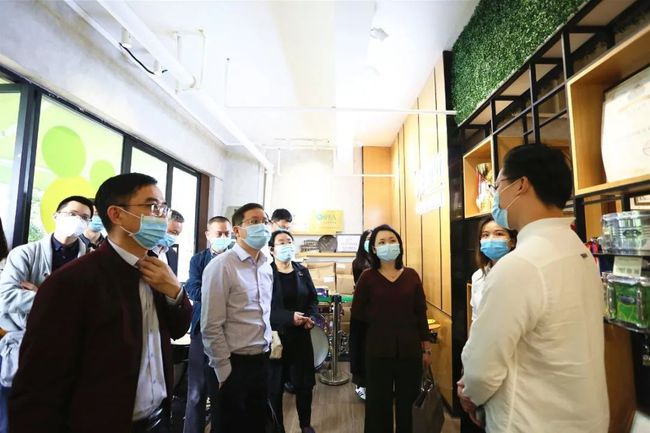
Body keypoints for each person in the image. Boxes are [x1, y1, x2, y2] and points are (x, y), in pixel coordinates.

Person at [8, 173, 192, 433]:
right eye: (152, 207)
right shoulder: (73, 281)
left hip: (158, 419)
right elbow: (38, 383)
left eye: (163, 208)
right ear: (117, 214)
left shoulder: (158, 270)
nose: (161, 217)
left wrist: (176, 292)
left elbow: (178, 329)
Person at [458, 144, 609, 432]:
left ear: (520, 185)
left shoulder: (519, 265)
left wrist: (470, 395)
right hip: (586, 418)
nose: (496, 196)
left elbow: (481, 370)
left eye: (498, 186)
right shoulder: (580, 251)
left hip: (530, 421)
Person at [351, 224, 431, 433]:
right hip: (376, 351)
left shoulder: (411, 275)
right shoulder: (367, 277)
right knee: (378, 407)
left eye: (392, 240)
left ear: (400, 245)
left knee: (409, 404)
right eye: (382, 242)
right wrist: (356, 360)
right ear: (374, 249)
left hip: (409, 351)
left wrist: (426, 349)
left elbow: (420, 313)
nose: (388, 245)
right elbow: (357, 321)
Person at [201, 203, 273, 433]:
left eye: (265, 221)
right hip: (233, 364)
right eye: (254, 222)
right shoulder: (222, 265)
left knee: (257, 425)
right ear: (237, 230)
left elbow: (263, 313)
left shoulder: (266, 266)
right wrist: (224, 370)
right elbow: (211, 325)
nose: (262, 226)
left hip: (261, 360)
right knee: (230, 427)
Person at [0, 195, 93, 332]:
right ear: (56, 216)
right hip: (25, 332)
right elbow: (6, 297)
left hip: (72, 334)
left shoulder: (91, 260)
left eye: (84, 218)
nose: (78, 220)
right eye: (72, 214)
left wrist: (41, 294)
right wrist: (64, 301)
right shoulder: (24, 254)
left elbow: (93, 304)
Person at [183, 216, 233, 433]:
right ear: (208, 235)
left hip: (229, 332)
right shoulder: (198, 260)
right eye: (218, 233)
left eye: (227, 233)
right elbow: (192, 289)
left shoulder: (236, 260)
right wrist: (222, 295)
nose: (223, 237)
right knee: (196, 393)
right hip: (201, 331)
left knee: (222, 392)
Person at [268, 230, 318, 433]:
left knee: (304, 385)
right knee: (274, 388)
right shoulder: (265, 273)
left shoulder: (301, 271)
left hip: (300, 338)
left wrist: (312, 317)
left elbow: (313, 299)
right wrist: (289, 317)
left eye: (289, 241)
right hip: (275, 339)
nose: (287, 245)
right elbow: (261, 308)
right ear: (272, 249)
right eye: (281, 242)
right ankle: (277, 427)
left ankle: (305, 424)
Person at [470, 216, 516, 322]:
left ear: (512, 241)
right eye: (485, 235)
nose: (490, 240)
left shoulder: (523, 276)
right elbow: (476, 317)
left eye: (499, 234)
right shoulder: (478, 276)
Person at [350, 228, 372, 400]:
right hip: (363, 310)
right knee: (361, 346)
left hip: (379, 312)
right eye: (368, 238)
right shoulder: (359, 262)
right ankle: (362, 383)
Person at [153, 210, 184, 275]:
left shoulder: (173, 254)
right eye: (173, 232)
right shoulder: (143, 250)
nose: (174, 237)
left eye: (177, 234)